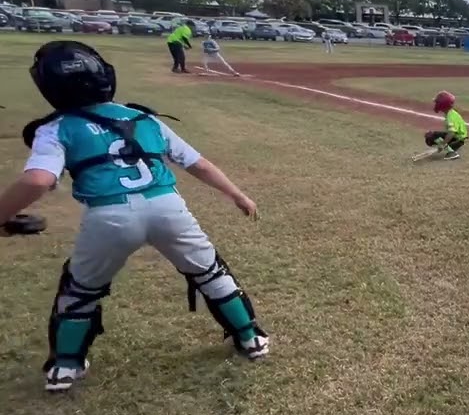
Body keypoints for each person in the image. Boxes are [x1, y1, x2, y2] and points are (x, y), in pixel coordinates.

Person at [0, 41, 270, 393]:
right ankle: (251, 338)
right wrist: (237, 194)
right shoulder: (143, 118)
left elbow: (38, 180)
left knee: (81, 289)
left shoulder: (57, 128)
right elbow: (198, 164)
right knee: (210, 272)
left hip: (109, 215)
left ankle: (65, 366)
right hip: (168, 207)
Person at [419, 90, 468, 161]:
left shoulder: (450, 117)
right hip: (458, 137)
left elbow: (451, 133)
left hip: (458, 140)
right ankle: (450, 147)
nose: (436, 104)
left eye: (437, 103)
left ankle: (452, 152)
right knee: (431, 135)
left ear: (442, 105)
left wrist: (443, 144)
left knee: (432, 137)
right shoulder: (450, 113)